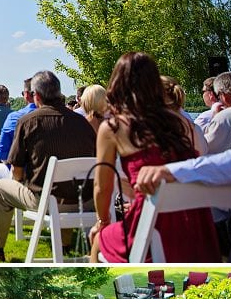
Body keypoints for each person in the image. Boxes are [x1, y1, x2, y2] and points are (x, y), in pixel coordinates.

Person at [90, 52, 217, 262]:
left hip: (152, 225)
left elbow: (102, 187)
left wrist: (102, 221)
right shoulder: (180, 122)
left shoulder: (113, 127)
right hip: (196, 225)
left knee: (98, 239)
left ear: (117, 83)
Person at [0, 69, 94, 262]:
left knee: (1, 187)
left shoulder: (28, 122)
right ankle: (64, 244)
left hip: (47, 200)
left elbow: (16, 171)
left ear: (37, 96)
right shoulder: (82, 123)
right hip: (85, 200)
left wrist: (23, 182)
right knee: (65, 186)